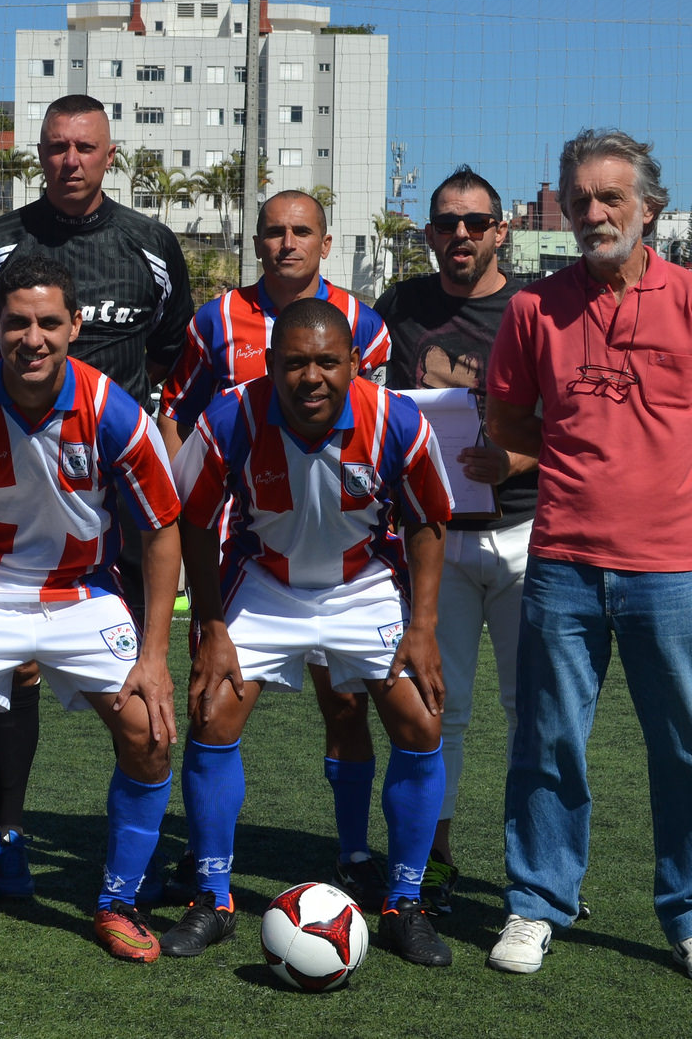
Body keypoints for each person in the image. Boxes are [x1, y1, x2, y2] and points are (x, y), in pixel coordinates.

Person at [483, 130, 692, 985]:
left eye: (611, 197)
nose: (594, 213)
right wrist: (582, 456)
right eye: (580, 200)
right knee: (548, 741)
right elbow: (506, 424)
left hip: (670, 569)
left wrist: (670, 459)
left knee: (685, 747)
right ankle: (536, 903)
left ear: (651, 206)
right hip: (564, 560)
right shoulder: (535, 310)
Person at [0, 255, 183, 963]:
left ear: (75, 325)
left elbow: (161, 527)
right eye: (18, 322)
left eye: (49, 322)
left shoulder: (112, 409)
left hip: (82, 591)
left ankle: (118, 901)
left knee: (150, 732)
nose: (33, 338)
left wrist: (157, 656)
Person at [162, 298, 456, 966]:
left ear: (355, 363)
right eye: (295, 362)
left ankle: (404, 902)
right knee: (212, 713)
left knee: (420, 722)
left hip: (363, 584)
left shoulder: (396, 420)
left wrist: (425, 626)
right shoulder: (231, 416)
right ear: (271, 364)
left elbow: (427, 521)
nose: (312, 376)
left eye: (328, 361)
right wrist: (211, 623)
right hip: (264, 583)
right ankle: (212, 895)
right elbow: (197, 523)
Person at [0, 94, 193, 895]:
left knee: (133, 679)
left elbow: (166, 355)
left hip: (114, 492)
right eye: (55, 147)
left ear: (109, 152)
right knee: (14, 669)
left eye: (84, 147)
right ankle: (10, 832)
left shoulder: (152, 247)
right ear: (39, 155)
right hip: (12, 492)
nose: (69, 161)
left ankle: (133, 853)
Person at [158, 188, 397, 911]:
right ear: (256, 241)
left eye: (302, 231)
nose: (286, 243)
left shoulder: (366, 325)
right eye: (273, 232)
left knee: (346, 705)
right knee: (215, 701)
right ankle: (210, 874)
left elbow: (378, 430)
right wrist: (191, 487)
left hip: (345, 547)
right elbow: (176, 409)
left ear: (326, 242)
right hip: (248, 546)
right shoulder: (216, 319)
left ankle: (354, 850)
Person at [373, 165, 538, 915]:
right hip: (436, 539)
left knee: (535, 710)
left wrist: (516, 458)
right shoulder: (400, 306)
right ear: (430, 232)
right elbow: (366, 400)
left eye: (477, 222)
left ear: (501, 230)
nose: (461, 235)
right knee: (443, 707)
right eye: (447, 223)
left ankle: (540, 870)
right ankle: (432, 861)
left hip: (528, 530)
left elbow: (575, 416)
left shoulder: (533, 309)